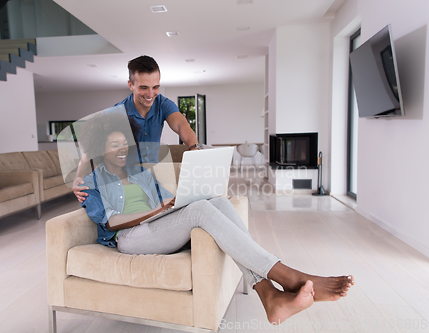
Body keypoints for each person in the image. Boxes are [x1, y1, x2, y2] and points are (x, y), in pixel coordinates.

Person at [79, 112, 354, 325]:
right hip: (128, 238)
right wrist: (157, 209)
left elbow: (168, 205)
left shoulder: (142, 174)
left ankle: (269, 295)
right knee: (199, 211)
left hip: (155, 227)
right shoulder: (91, 182)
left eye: (125, 142)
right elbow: (111, 223)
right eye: (114, 144)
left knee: (217, 201)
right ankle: (288, 276)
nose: (122, 148)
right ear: (100, 149)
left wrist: (182, 198)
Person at [73, 55, 199, 203]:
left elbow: (181, 124)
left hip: (152, 176)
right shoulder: (116, 113)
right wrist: (78, 180)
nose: (151, 94)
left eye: (155, 87)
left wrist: (194, 147)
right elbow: (91, 151)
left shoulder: (163, 104)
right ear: (131, 85)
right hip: (125, 179)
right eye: (144, 88)